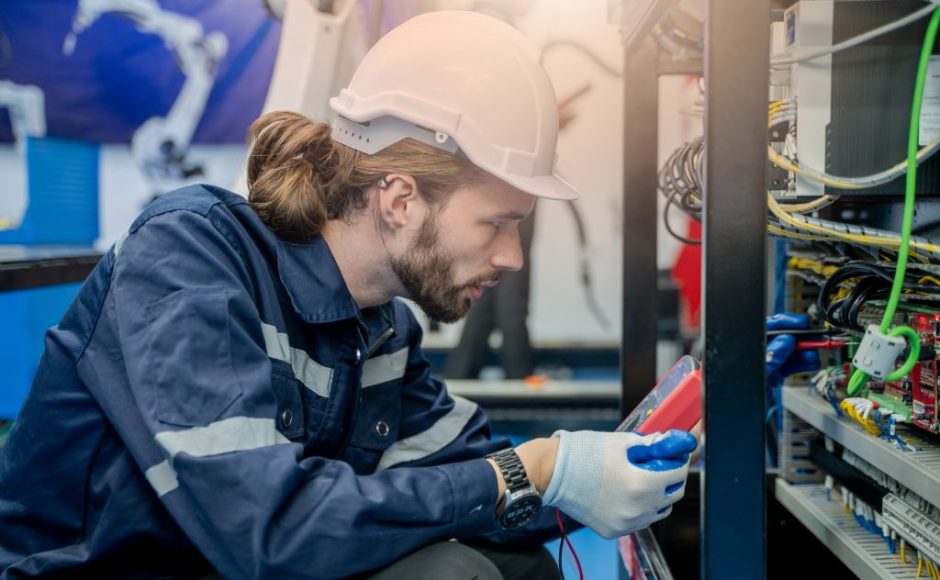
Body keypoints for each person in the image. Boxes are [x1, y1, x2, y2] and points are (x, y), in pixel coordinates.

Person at [0, 12, 701, 579]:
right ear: (399, 199)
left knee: (517, 569)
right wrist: (533, 468)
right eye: (497, 223)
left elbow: (479, 479)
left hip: (222, 562)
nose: (511, 257)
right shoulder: (187, 258)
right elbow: (268, 531)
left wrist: (592, 471)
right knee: (451, 576)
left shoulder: (379, 328)